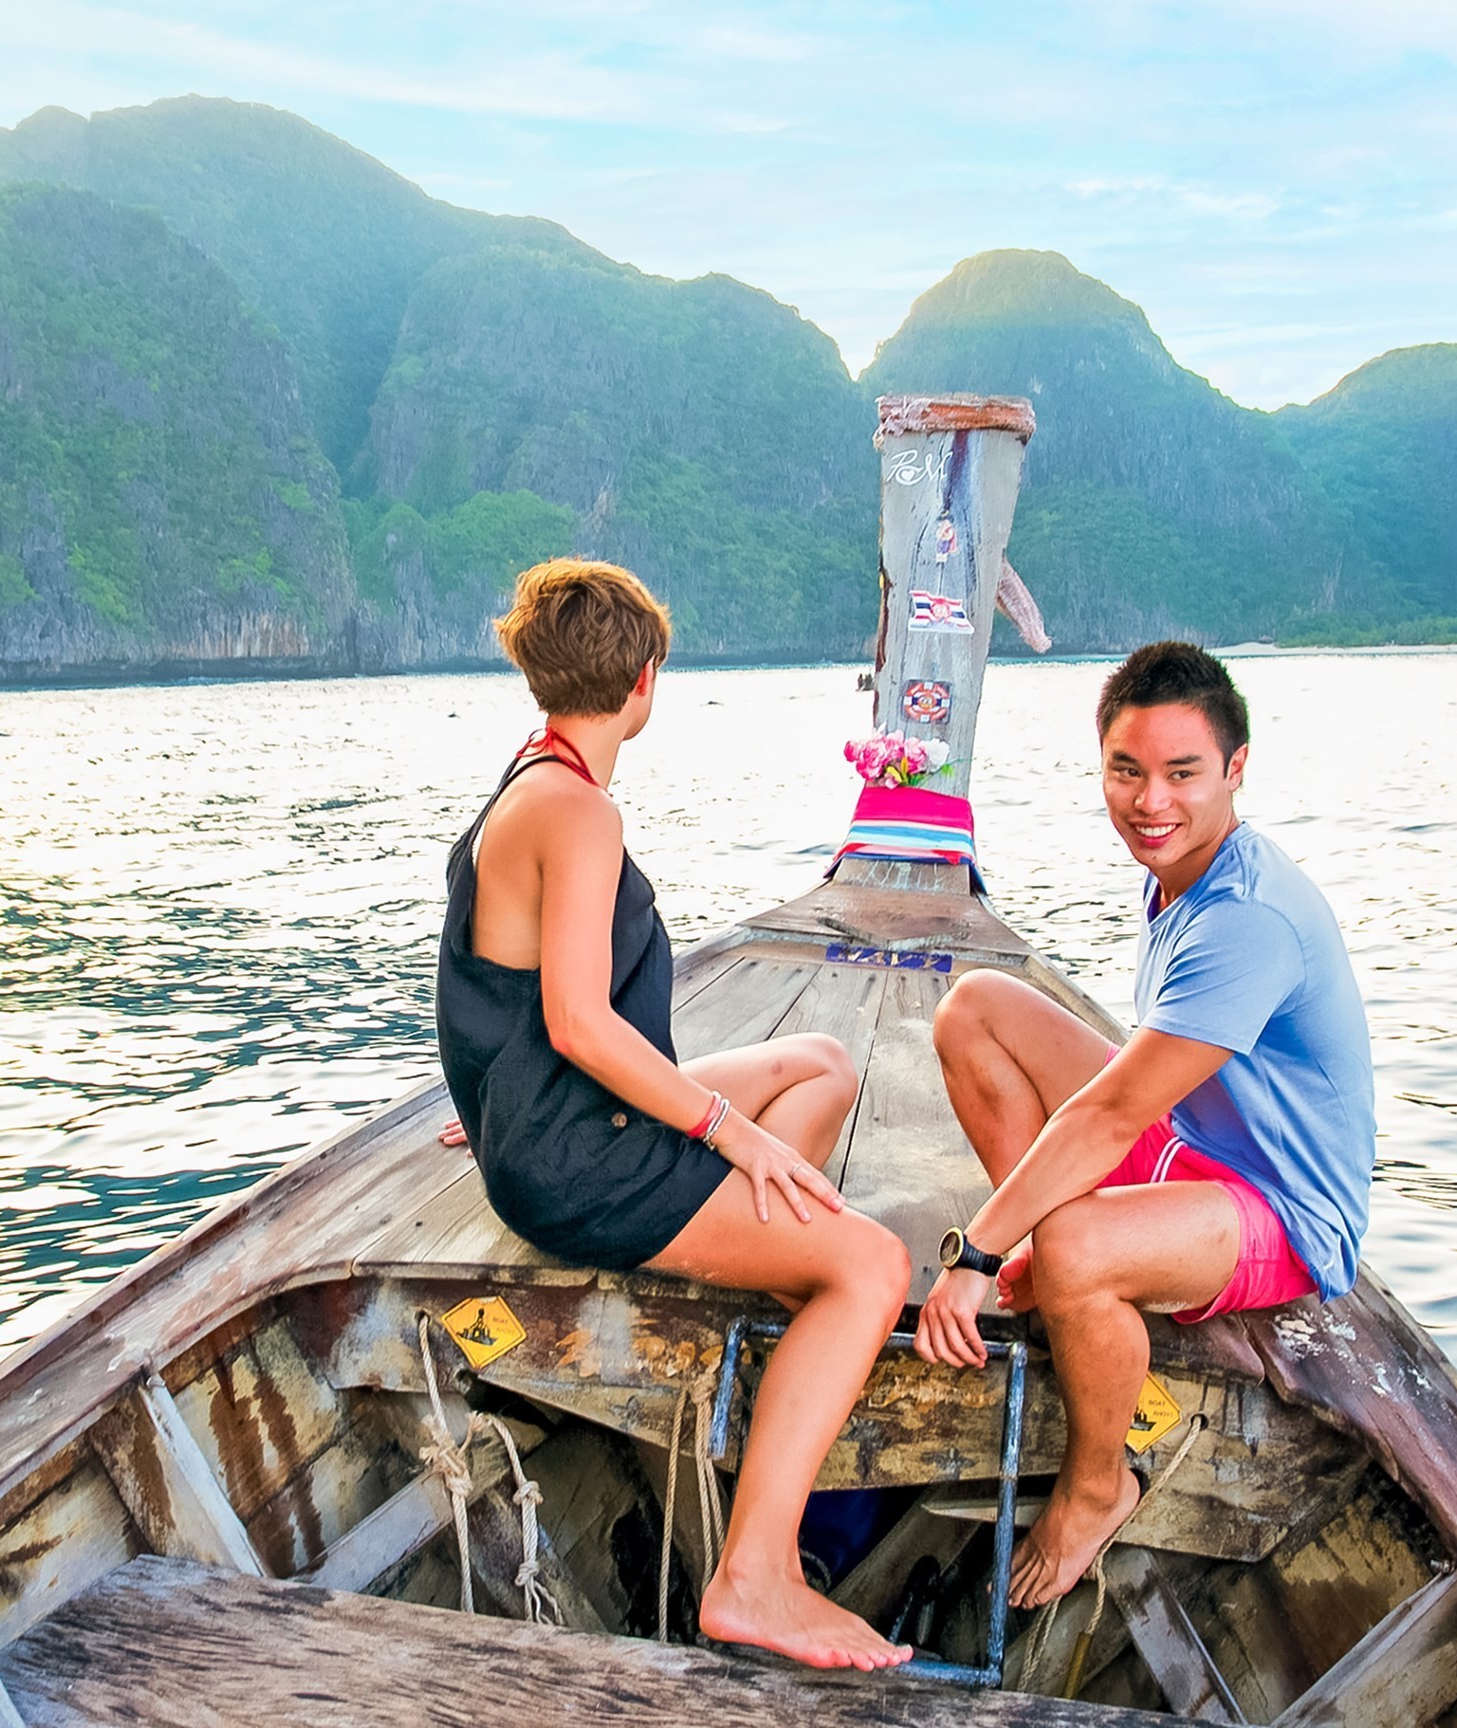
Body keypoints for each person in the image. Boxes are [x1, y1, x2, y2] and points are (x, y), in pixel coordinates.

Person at [435, 557, 914, 1670]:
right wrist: (725, 1133)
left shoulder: (530, 780)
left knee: (820, 1062)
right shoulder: (577, 813)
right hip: (580, 1157)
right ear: (646, 679)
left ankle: (751, 1253)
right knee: (872, 1269)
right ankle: (753, 1578)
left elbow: (481, 985)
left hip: (549, 1129)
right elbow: (579, 1024)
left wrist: (493, 1105)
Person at [912, 640, 1374, 1608]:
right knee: (977, 1009)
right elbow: (1128, 1101)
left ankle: (1096, 1485)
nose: (1150, 801)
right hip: (1199, 1145)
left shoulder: (1248, 915)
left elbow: (1113, 1109)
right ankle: (1067, 1269)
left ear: (1236, 769)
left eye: (1182, 774)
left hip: (1283, 1211)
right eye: (1127, 771)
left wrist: (977, 1254)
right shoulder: (1182, 873)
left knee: (1075, 1243)